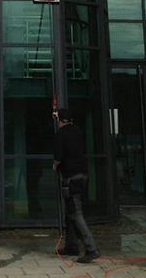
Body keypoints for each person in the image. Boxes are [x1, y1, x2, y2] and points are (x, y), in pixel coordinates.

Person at [53, 108, 100, 264]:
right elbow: (67, 123)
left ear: (60, 120)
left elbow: (58, 158)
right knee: (71, 212)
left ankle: (91, 249)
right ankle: (72, 245)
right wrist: (59, 116)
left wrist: (55, 166)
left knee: (75, 213)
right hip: (82, 176)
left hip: (71, 178)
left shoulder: (61, 134)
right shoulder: (77, 130)